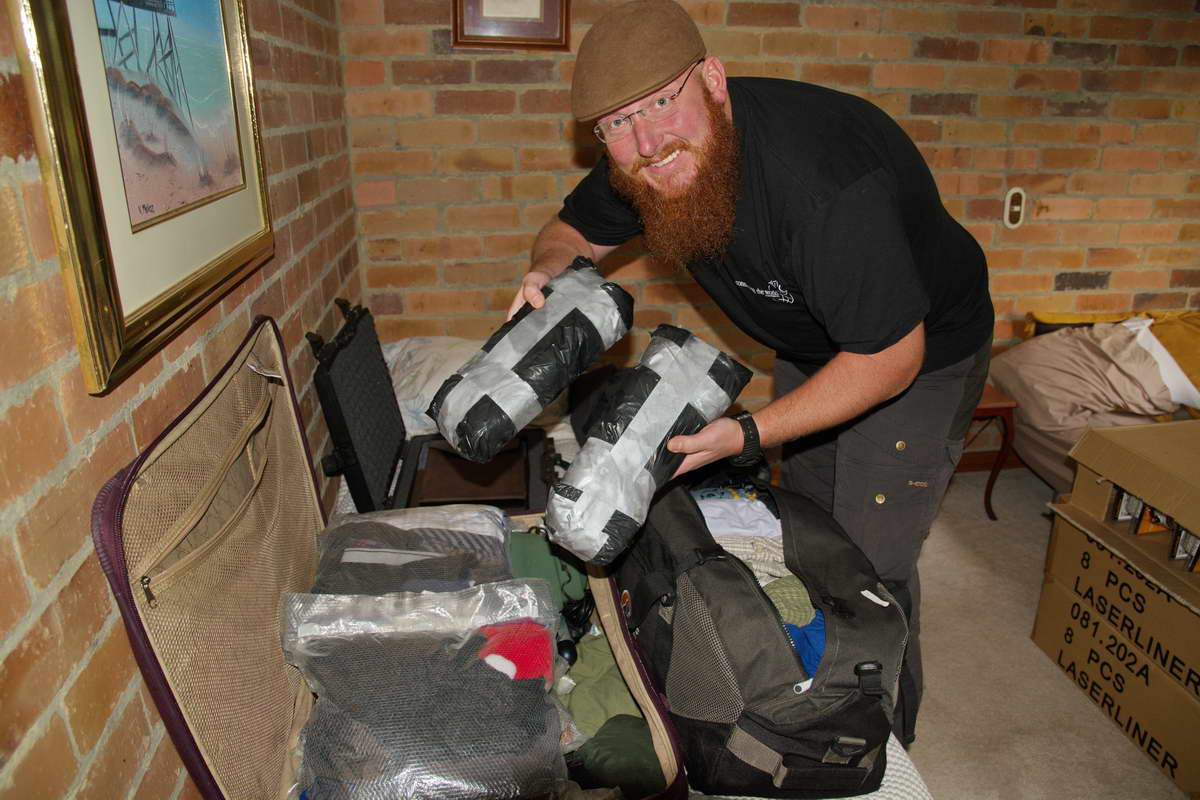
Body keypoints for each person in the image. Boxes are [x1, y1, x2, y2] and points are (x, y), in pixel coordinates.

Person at [507, 0, 993, 745]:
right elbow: (571, 230)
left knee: (869, 561)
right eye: (616, 125)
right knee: (808, 528)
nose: (646, 143)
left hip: (918, 353)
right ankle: (806, 699)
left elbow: (889, 358)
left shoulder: (822, 182)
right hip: (820, 341)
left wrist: (746, 433)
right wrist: (549, 270)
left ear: (712, 80)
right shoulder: (642, 155)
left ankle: (881, 742)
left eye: (660, 104)